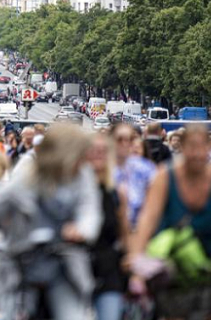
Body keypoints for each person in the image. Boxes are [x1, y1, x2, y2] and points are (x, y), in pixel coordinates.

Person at [0, 125, 102, 319]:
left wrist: (82, 230)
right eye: (79, 156)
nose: (83, 162)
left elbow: (90, 211)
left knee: (73, 315)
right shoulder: (25, 177)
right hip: (21, 264)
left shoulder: (83, 176)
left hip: (63, 265)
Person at [128, 124, 211, 320]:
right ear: (182, 148)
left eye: (201, 147)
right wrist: (137, 254)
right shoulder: (165, 176)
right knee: (173, 312)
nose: (196, 154)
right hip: (175, 257)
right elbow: (148, 217)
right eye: (191, 147)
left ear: (209, 148)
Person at [86, 133, 128, 320]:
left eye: (103, 151)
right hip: (76, 268)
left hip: (109, 269)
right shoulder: (71, 189)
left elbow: (125, 233)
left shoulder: (117, 193)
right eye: (93, 150)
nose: (98, 154)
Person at [111, 123, 156, 227]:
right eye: (120, 139)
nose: (125, 144)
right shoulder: (103, 167)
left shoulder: (146, 169)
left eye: (129, 140)